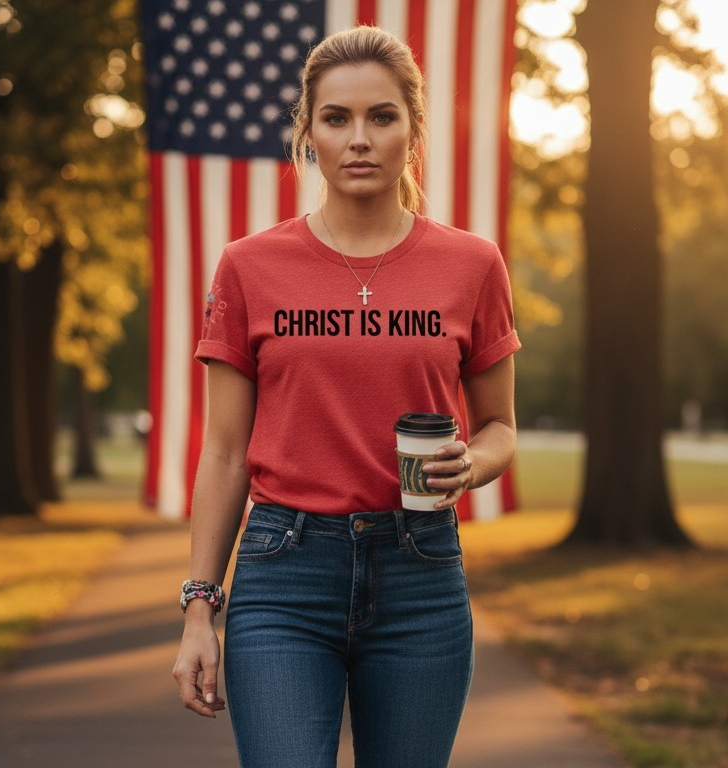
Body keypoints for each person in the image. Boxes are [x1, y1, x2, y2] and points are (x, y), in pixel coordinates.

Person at [172, 25, 520, 768]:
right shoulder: (247, 267)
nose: (358, 138)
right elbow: (227, 453)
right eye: (336, 118)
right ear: (309, 134)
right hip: (284, 575)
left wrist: (475, 464)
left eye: (381, 116)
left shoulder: (472, 264)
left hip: (420, 576)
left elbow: (498, 426)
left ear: (412, 130)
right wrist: (200, 609)